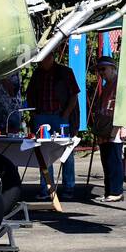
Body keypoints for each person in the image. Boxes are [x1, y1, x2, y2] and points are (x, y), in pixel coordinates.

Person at [25, 53, 79, 198]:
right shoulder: (37, 74)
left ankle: (69, 187)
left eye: (43, 59)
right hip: (41, 116)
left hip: (60, 116)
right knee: (43, 153)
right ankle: (47, 188)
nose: (40, 62)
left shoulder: (65, 72)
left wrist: (67, 113)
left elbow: (74, 95)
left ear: (51, 58)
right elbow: (29, 94)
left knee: (67, 150)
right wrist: (34, 114)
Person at [91, 56, 126, 202]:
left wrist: (121, 127)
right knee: (106, 160)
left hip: (114, 128)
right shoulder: (107, 85)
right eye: (99, 70)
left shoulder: (119, 84)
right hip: (105, 127)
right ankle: (109, 191)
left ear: (113, 68)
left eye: (103, 69)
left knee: (114, 160)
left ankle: (116, 191)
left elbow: (123, 107)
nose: (101, 72)